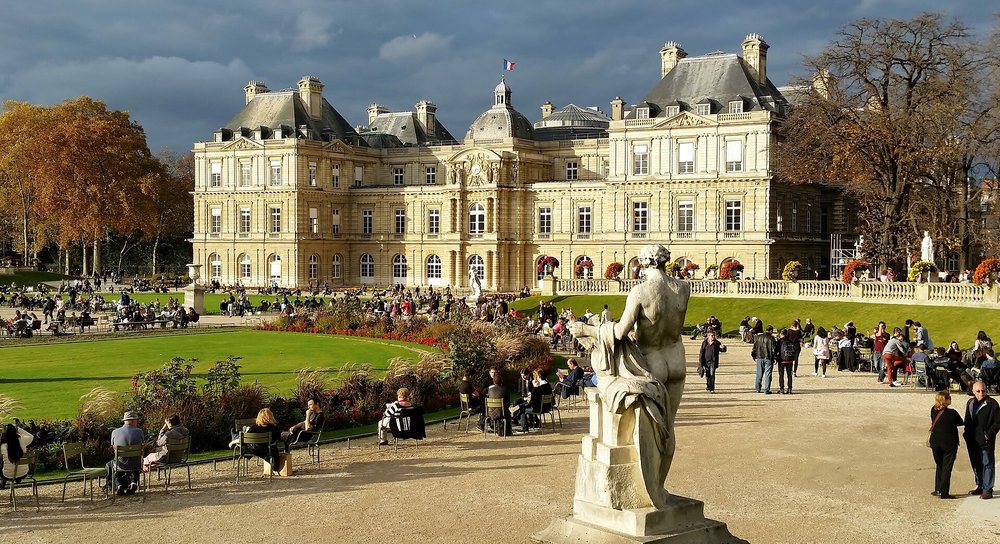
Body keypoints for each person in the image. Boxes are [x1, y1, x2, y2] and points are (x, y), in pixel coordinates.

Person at [963, 379, 1000, 499]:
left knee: (987, 464)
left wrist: (988, 435)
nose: (981, 393)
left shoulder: (992, 403)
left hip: (985, 441)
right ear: (973, 391)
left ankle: (987, 489)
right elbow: (967, 419)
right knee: (976, 463)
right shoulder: (970, 403)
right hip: (972, 439)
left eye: (983, 391)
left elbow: (997, 422)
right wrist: (966, 433)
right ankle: (980, 485)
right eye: (978, 391)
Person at [930, 390, 964, 499]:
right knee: (946, 468)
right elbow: (960, 422)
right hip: (949, 443)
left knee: (939, 465)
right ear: (946, 400)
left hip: (935, 442)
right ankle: (944, 492)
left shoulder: (933, 410)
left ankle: (938, 489)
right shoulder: (952, 413)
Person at [106, 411, 145, 495]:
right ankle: (133, 482)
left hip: (121, 463)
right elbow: (142, 444)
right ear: (132, 421)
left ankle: (118, 484)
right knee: (134, 460)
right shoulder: (140, 431)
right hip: (137, 464)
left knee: (111, 464)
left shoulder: (115, 432)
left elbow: (114, 448)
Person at [514, 369, 552, 434]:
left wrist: (534, 387)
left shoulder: (539, 388)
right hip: (547, 406)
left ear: (539, 377)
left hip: (538, 408)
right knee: (521, 406)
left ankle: (525, 428)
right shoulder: (548, 385)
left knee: (522, 409)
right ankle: (517, 416)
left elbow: (533, 400)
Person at [0, 422, 34, 489]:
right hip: (24, 473)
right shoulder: (22, 441)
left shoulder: (3, 446)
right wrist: (18, 429)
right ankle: (16, 479)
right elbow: (31, 436)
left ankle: (2, 482)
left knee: (2, 464)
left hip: (8, 475)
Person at [752, 325, 777, 394]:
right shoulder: (771, 338)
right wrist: (775, 358)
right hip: (768, 357)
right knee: (768, 374)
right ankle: (767, 389)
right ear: (771, 330)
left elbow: (754, 347)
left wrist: (754, 356)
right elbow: (773, 349)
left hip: (759, 357)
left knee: (759, 373)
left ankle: (757, 388)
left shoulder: (758, 337)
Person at [776, 329, 797, 394]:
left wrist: (776, 358)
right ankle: (789, 388)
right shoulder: (790, 341)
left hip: (781, 360)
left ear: (781, 334)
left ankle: (782, 388)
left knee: (781, 375)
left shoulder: (779, 341)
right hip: (790, 360)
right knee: (789, 375)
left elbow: (776, 350)